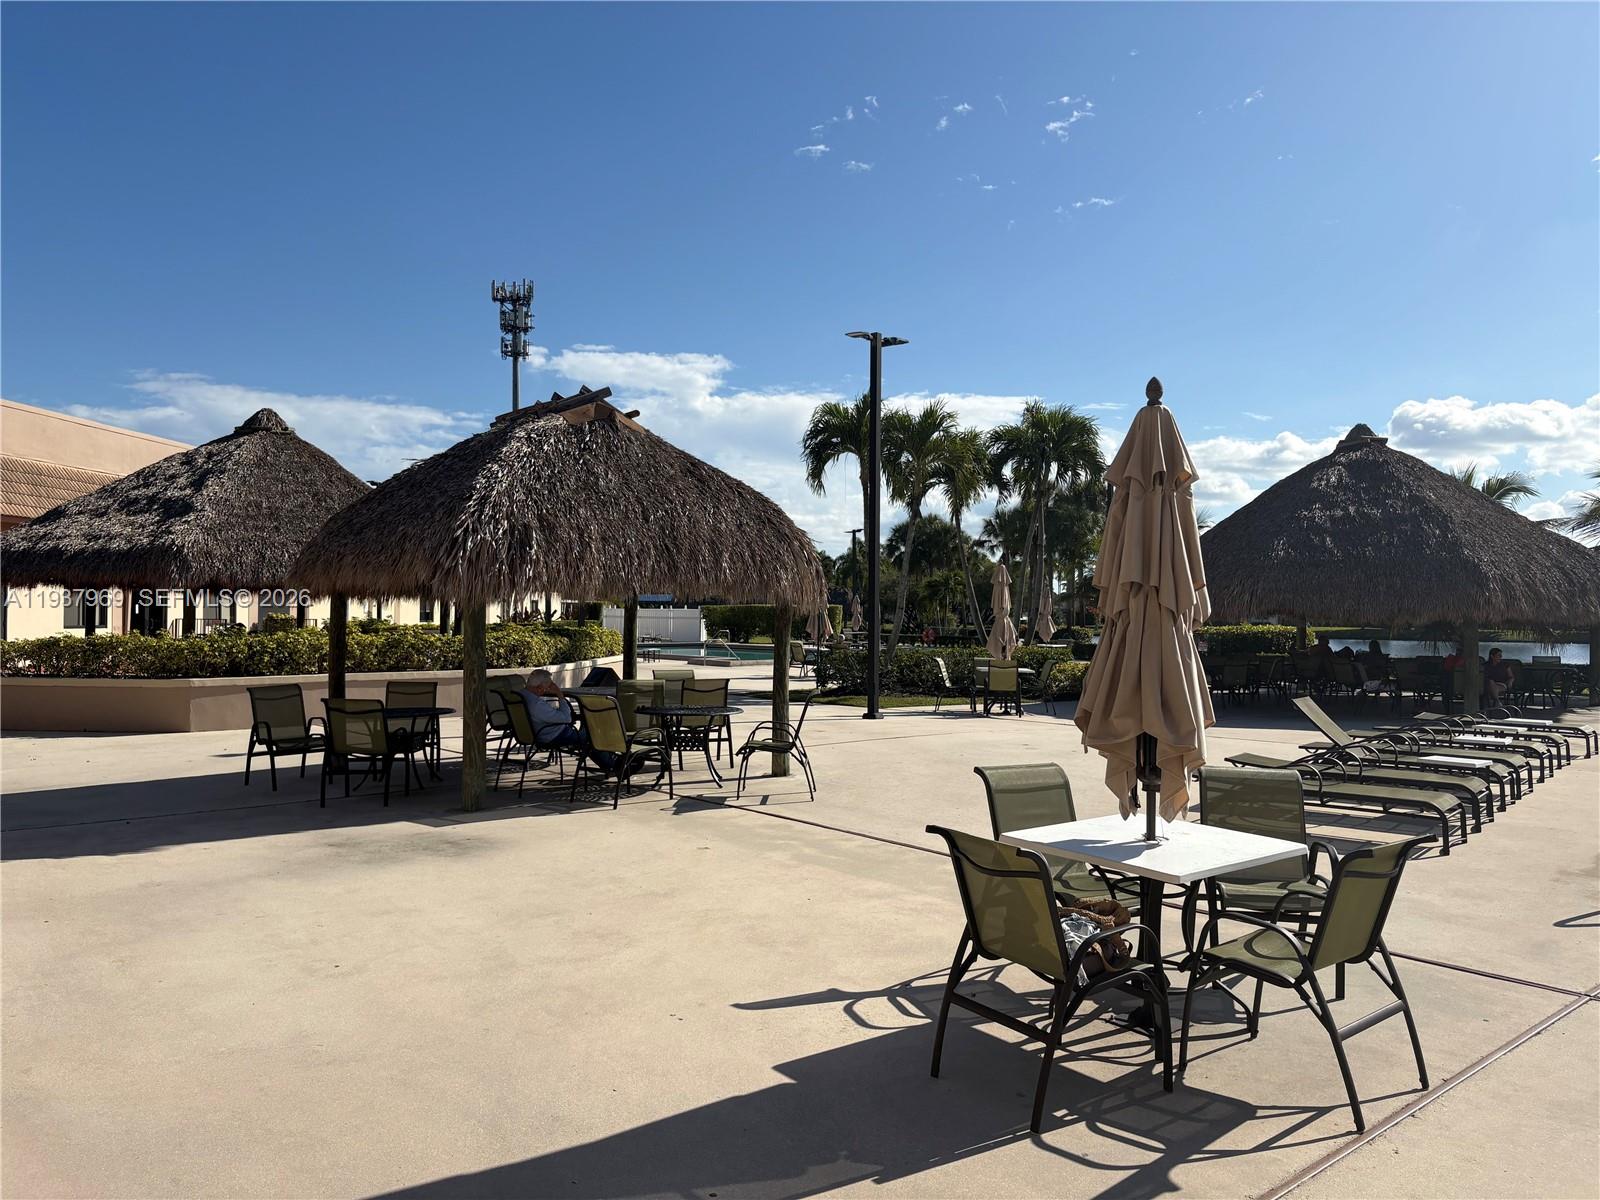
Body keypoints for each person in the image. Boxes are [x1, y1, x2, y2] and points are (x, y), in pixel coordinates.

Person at [518, 670, 583, 751]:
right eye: (546, 688)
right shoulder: (537, 704)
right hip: (553, 736)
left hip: (540, 732)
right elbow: (567, 718)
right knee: (592, 736)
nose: (546, 691)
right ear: (539, 688)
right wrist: (559, 694)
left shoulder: (521, 695)